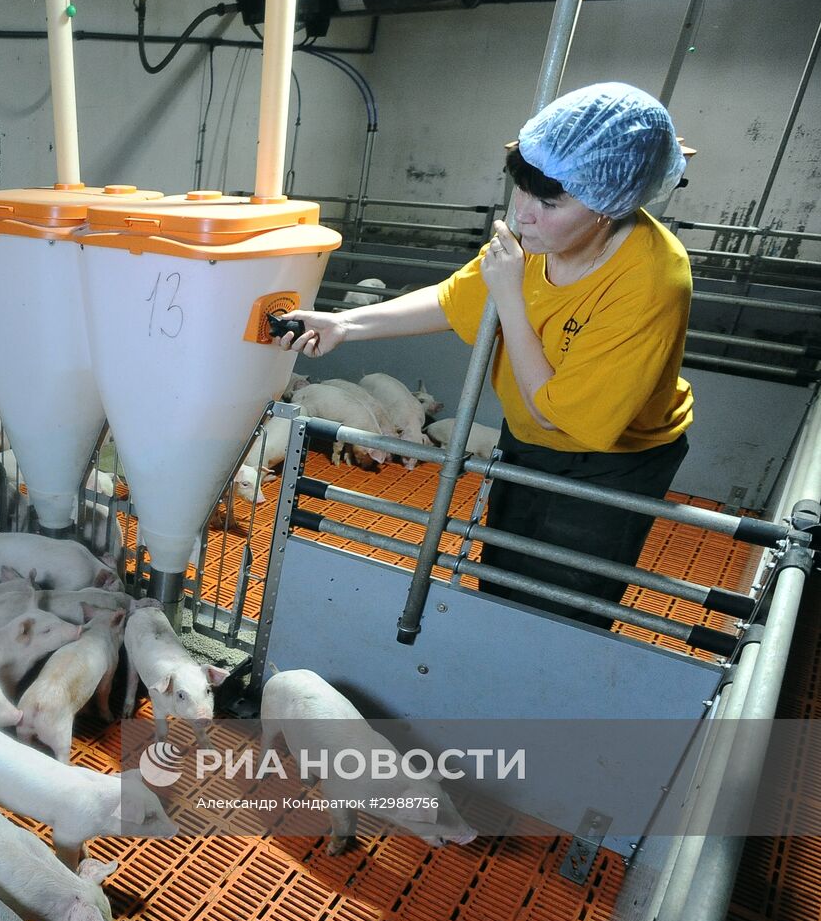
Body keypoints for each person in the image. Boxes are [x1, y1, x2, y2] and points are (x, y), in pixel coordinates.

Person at [280, 82, 692, 629]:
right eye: (520, 190)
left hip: (613, 461)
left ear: (610, 206)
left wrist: (511, 296)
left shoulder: (652, 281)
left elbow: (560, 414)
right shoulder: (535, 242)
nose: (523, 214)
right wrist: (345, 324)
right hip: (528, 438)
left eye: (549, 202)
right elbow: (458, 297)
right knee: (501, 570)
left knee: (565, 599)